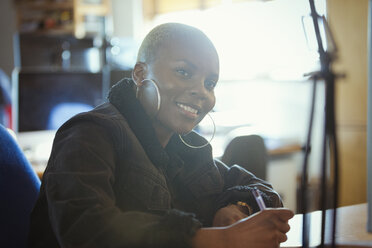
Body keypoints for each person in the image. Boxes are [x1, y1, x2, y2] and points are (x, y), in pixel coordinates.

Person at [28, 23, 294, 248]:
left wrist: (236, 208)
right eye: (183, 72)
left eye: (210, 83)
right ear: (140, 73)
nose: (201, 91)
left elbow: (262, 190)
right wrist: (217, 239)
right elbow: (86, 230)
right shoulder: (90, 133)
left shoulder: (187, 146)